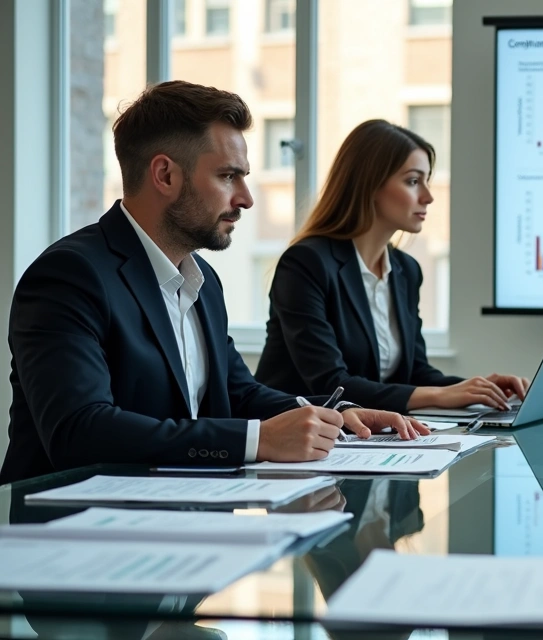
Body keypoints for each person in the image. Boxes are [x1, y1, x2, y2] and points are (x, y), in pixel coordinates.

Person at [0, 82, 427, 485]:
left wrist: (336, 412)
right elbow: (80, 429)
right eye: (228, 176)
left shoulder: (204, 282)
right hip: (67, 537)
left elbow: (238, 392)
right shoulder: (69, 276)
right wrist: (257, 441)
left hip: (176, 516)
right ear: (165, 175)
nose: (246, 198)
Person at [256, 120, 528, 412]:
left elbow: (415, 373)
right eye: (413, 181)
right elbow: (331, 384)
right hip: (293, 438)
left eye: (427, 180)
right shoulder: (306, 263)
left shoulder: (405, 270)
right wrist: (439, 396)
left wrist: (481, 390)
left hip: (364, 436)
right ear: (370, 184)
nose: (428, 196)